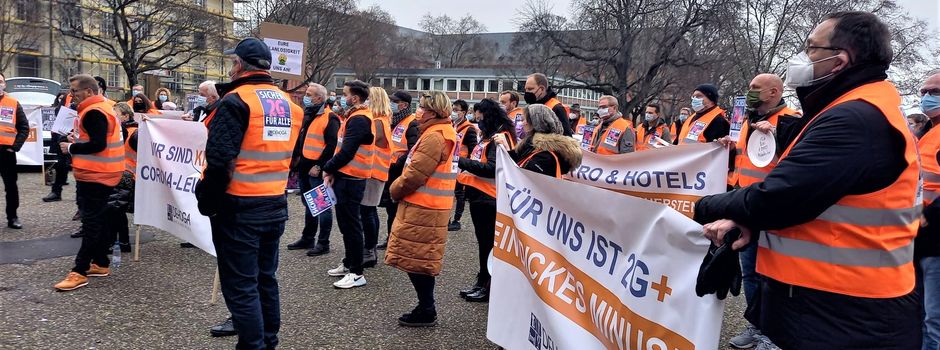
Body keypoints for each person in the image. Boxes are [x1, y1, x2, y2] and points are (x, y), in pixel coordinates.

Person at [695, 12, 921, 348]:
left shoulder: (854, 117)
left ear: (839, 60)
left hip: (848, 313)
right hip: (837, 303)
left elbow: (780, 197)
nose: (803, 58)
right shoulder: (855, 109)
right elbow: (816, 198)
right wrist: (750, 222)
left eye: (811, 49)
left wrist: (704, 206)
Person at [194, 37, 303, 349]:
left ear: (239, 65)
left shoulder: (235, 101)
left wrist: (208, 201)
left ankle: (253, 345)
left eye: (232, 63)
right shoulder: (291, 106)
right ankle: (268, 341)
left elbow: (218, 161)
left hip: (239, 207)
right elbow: (292, 157)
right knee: (265, 279)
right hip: (274, 202)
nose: (230, 68)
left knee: (241, 286)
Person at [718, 74, 799, 350]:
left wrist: (778, 134)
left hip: (774, 209)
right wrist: (726, 149)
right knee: (751, 271)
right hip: (746, 206)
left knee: (774, 275)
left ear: (774, 91)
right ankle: (757, 325)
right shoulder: (744, 122)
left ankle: (775, 333)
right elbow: (742, 160)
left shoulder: (792, 120)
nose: (749, 92)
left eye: (755, 88)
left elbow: (799, 161)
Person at [385, 90, 459, 327]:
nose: (418, 111)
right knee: (419, 259)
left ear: (433, 112)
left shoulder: (435, 136)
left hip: (424, 207)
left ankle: (427, 308)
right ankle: (425, 306)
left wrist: (394, 190)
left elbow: (414, 175)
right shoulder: (440, 132)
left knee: (419, 261)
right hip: (429, 207)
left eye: (422, 107)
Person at [53, 74, 125, 291]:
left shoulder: (94, 111)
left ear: (89, 92)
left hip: (97, 174)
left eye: (74, 91)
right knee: (98, 220)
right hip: (101, 172)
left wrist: (71, 147)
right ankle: (101, 263)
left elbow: (98, 144)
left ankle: (80, 270)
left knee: (91, 222)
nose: (71, 95)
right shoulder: (102, 107)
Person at [456, 98, 516, 302]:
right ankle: (482, 280)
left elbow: (492, 168)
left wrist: (462, 162)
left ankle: (488, 285)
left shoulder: (499, 138)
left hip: (489, 197)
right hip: (479, 196)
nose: (476, 120)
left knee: (488, 244)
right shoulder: (488, 137)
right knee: (483, 243)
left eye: (479, 117)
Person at [320, 79, 375, 289]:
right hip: (345, 175)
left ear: (356, 97)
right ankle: (349, 262)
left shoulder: (360, 118)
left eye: (345, 94)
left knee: (352, 226)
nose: (342, 98)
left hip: (352, 178)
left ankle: (357, 272)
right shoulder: (354, 115)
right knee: (345, 225)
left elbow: (347, 151)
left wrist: (328, 167)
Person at [287, 83, 340, 257]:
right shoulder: (308, 114)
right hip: (304, 166)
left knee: (322, 207)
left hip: (316, 169)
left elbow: (331, 145)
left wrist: (320, 166)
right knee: (309, 204)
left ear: (319, 98)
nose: (305, 97)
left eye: (309, 94)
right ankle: (308, 237)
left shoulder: (330, 117)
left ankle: (323, 242)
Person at [379, 91, 419, 249]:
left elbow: (412, 150)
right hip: (388, 169)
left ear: (404, 105)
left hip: (398, 170)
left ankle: (395, 240)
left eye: (395, 101)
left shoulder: (411, 122)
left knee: (396, 209)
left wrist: (397, 165)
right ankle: (391, 239)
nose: (391, 104)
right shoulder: (392, 120)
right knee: (390, 209)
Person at [496, 104, 582, 178]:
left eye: (524, 120)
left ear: (535, 123)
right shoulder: (529, 144)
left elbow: (523, 178)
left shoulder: (545, 156)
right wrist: (504, 147)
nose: (522, 123)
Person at [917, 72, 940, 349]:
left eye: (933, 91)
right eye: (923, 91)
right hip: (920, 238)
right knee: (922, 313)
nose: (926, 97)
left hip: (936, 238)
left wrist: (927, 216)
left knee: (934, 319)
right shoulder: (928, 133)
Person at [362, 87, 393, 268]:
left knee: (368, 211)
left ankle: (369, 249)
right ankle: (369, 248)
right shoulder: (380, 120)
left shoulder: (378, 122)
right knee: (368, 211)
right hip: (373, 171)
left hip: (374, 172)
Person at [106, 102, 137, 253]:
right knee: (116, 210)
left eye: (116, 114)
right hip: (119, 173)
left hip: (126, 175)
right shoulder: (119, 130)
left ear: (125, 116)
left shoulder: (134, 133)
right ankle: (122, 242)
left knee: (115, 209)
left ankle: (115, 242)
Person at [0, 72, 29, 229]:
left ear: (4, 84)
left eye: (0, 81)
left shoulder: (13, 103)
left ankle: (12, 217)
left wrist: (15, 146)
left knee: (11, 186)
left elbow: (24, 128)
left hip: (6, 152)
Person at [447, 99, 479, 232]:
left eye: (456, 110)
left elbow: (473, 149)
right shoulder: (452, 125)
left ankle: (457, 220)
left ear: (464, 112)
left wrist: (467, 166)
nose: (453, 113)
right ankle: (448, 218)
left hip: (462, 165)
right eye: (452, 109)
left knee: (459, 193)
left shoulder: (469, 129)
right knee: (451, 192)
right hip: (452, 164)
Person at [44, 92, 72, 202]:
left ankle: (82, 204)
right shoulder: (68, 96)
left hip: (80, 134)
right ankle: (56, 191)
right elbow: (58, 112)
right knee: (60, 164)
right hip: (64, 132)